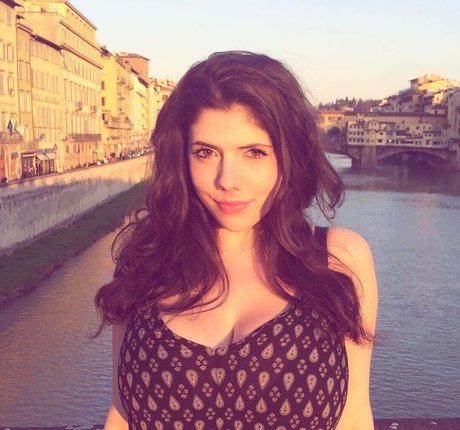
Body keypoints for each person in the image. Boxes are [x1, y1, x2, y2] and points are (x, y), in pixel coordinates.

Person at [96, 51, 378, 430]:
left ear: (291, 156)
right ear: (182, 157)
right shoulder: (143, 257)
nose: (227, 180)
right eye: (206, 152)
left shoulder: (340, 258)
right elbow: (121, 413)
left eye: (254, 153)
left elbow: (354, 415)